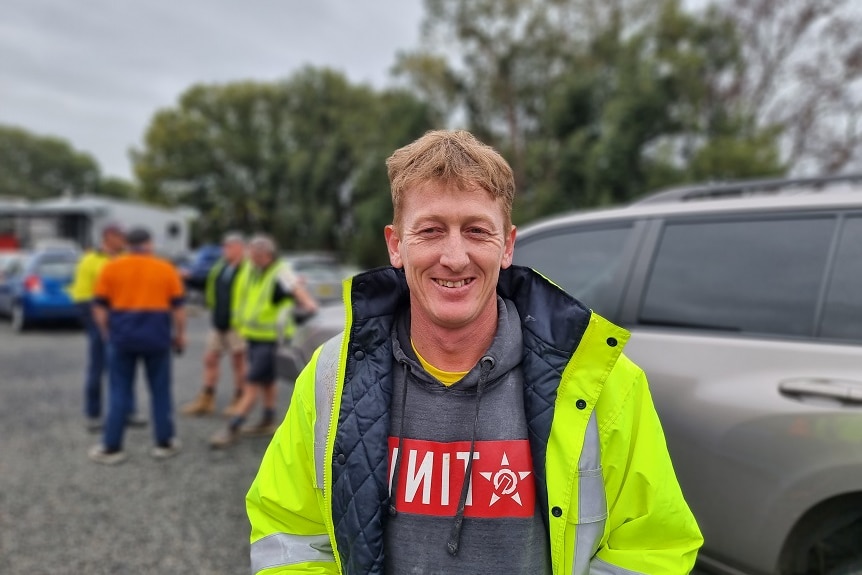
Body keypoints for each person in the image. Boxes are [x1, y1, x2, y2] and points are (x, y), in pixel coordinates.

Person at [245, 130, 703, 574]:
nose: (455, 257)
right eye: (430, 230)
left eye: (477, 231)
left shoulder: (604, 383)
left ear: (507, 245)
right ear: (395, 245)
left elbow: (652, 546)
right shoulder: (331, 375)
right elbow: (289, 533)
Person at [88, 227, 186, 465]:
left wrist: (106, 331)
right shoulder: (166, 268)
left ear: (128, 244)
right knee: (160, 391)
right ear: (149, 244)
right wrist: (180, 335)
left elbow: (99, 306)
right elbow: (179, 309)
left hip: (122, 337)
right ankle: (164, 442)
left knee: (119, 390)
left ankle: (112, 446)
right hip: (157, 337)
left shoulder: (111, 268)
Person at [209, 234, 317, 448]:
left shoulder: (281, 272)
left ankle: (232, 427)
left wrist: (310, 309)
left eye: (255, 255)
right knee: (267, 381)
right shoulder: (252, 270)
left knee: (252, 383)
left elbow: (300, 293)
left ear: (266, 255)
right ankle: (268, 419)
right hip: (253, 336)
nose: (250, 258)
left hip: (271, 338)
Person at [69, 223, 145, 431]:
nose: (124, 240)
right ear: (109, 237)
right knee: (98, 367)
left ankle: (128, 411)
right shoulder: (89, 261)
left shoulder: (126, 258)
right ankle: (93, 415)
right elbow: (82, 296)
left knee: (126, 367)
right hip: (99, 320)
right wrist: (96, 323)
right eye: (121, 236)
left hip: (126, 319)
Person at [181, 232, 248, 416]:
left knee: (239, 362)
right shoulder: (220, 266)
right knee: (210, 359)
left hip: (237, 324)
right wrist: (189, 277)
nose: (225, 250)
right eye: (224, 246)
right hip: (219, 321)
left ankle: (240, 398)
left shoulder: (248, 269)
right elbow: (206, 282)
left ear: (240, 248)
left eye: (229, 246)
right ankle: (206, 398)